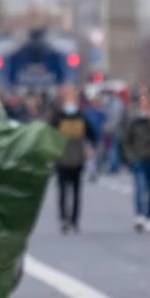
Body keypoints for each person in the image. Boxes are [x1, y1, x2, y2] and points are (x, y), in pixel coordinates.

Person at [121, 87, 150, 232]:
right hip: (139, 157)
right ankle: (139, 215)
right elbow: (125, 139)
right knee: (140, 187)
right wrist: (130, 156)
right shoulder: (134, 118)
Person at [49, 85, 96, 233]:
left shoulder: (82, 118)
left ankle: (74, 220)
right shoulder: (58, 118)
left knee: (76, 191)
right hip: (62, 158)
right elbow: (49, 135)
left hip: (77, 158)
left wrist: (90, 148)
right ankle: (64, 218)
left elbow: (92, 134)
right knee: (63, 191)